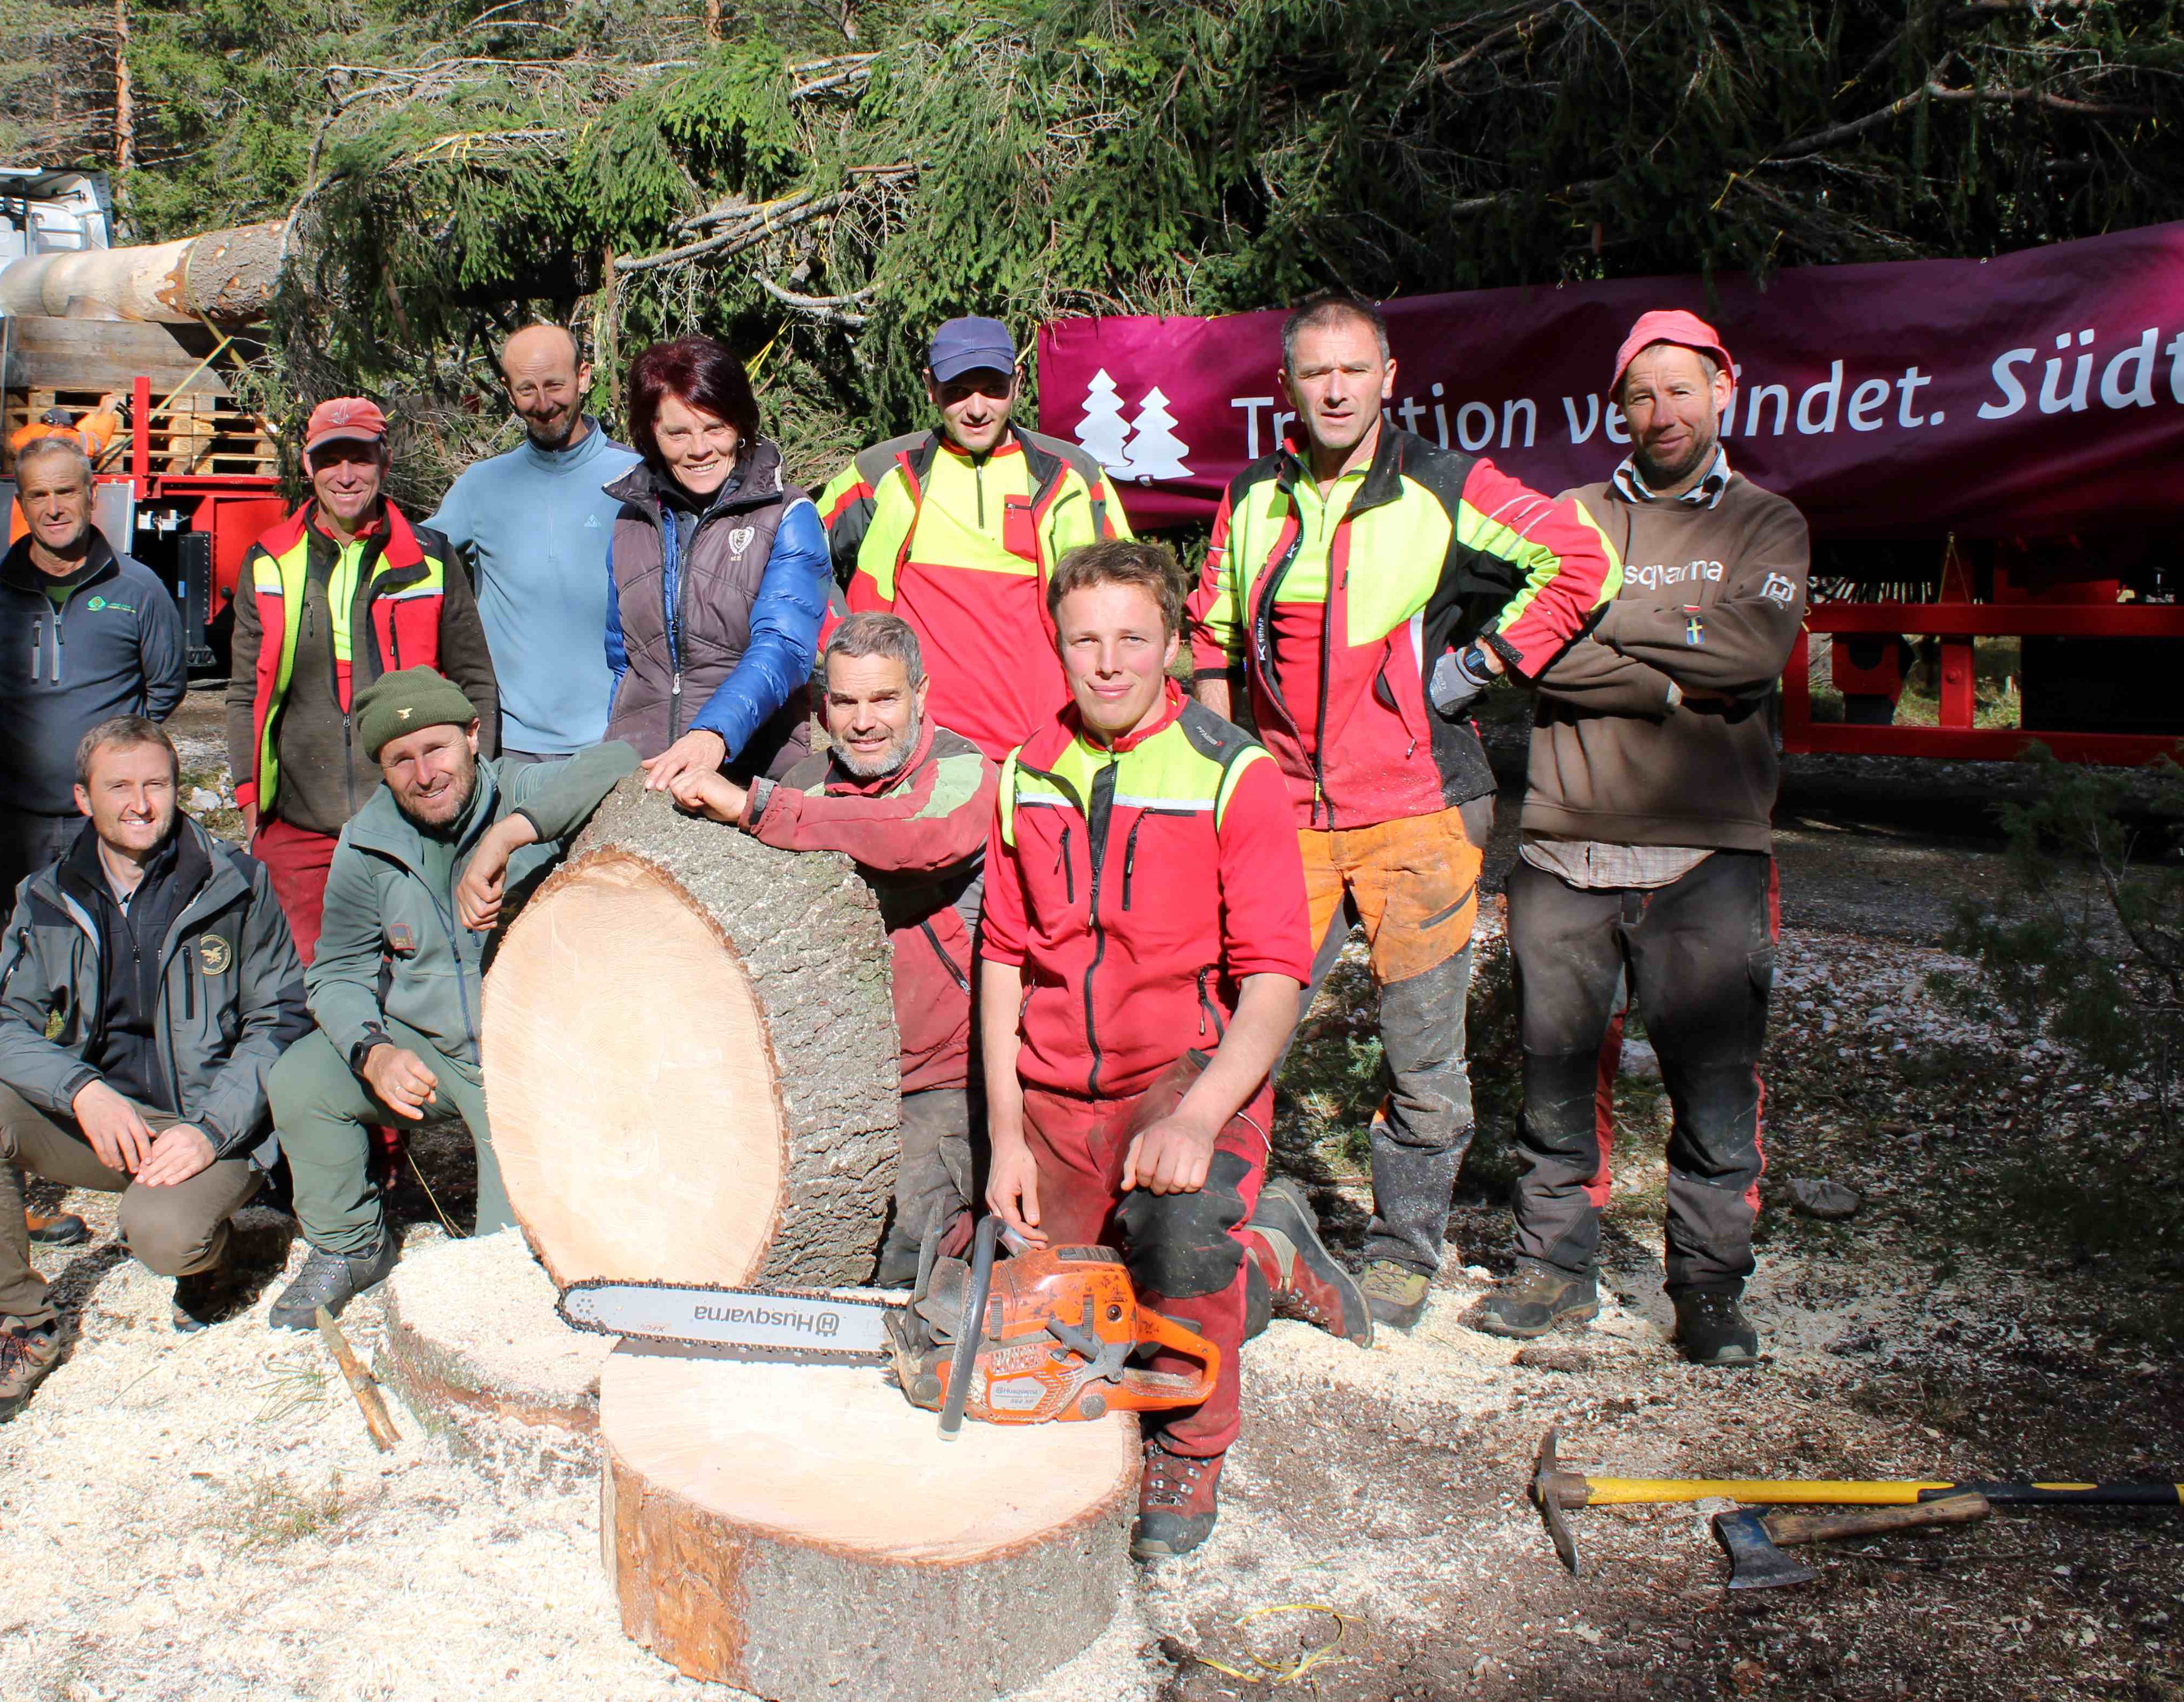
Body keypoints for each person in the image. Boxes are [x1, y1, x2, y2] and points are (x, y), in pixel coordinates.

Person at [1190, 289, 1610, 1332]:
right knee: (1243, 1029)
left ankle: (1403, 1247)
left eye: (1354, 370)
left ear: (1389, 379)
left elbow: (1581, 560)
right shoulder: (1255, 498)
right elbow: (1208, 637)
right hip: (1283, 815)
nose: (1334, 389)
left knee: (1421, 1048)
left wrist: (1478, 666)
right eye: (1314, 372)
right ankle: (1216, 1223)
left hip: (1420, 811)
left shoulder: (1443, 483)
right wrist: (1220, 765)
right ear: (1286, 385)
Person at [1465, 311, 1809, 1367]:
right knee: (1558, 1078)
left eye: (1682, 389)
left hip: (1709, 849)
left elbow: (1751, 649)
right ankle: (1554, 1270)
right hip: (1566, 844)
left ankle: (1707, 1289)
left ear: (1725, 392)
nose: (1663, 411)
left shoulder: (1768, 522)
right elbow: (1524, 650)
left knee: (1714, 1083)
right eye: (1643, 394)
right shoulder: (1569, 514)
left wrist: (1597, 618)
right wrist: (1668, 669)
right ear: (1619, 407)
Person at [979, 540, 1329, 1560]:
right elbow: (1003, 959)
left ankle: (1192, 1441)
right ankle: (1269, 1260)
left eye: (1134, 638)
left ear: (1174, 646)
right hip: (1052, 1092)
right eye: (1084, 640)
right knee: (1052, 1319)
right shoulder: (1024, 771)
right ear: (1057, 645)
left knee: (1177, 1246)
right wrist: (1005, 1136)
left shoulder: (1234, 771)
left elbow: (1274, 980)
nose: (1108, 662)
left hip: (1179, 1079)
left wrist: (1196, 1116)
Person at [0, 717, 311, 1424]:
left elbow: (283, 1021)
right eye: (119, 787)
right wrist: (80, 1091)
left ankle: (216, 1259)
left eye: (156, 785)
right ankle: (22, 1323)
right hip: (106, 1123)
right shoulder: (47, 897)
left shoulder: (237, 886)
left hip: (213, 1127)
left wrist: (209, 1129)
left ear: (176, 791)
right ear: (84, 799)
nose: (140, 804)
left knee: (161, 1235)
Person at [262, 670, 634, 1326]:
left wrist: (507, 837)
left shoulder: (520, 789)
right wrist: (372, 1051)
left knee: (502, 1276)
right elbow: (337, 972)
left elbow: (620, 759)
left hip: (528, 1064)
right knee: (301, 1079)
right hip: (431, 1050)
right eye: (400, 760)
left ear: (472, 737)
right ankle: (349, 1246)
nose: (424, 773)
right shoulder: (366, 841)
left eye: (436, 749)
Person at [671, 611, 996, 1282]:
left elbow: (911, 835)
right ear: (824, 707)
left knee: (901, 1247)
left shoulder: (965, 773)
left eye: (884, 698)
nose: (864, 721)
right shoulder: (805, 781)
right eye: (845, 701)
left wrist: (757, 808)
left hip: (941, 1076)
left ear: (921, 695)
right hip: (825, 1076)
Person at [227, 395, 498, 958]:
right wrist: (252, 804)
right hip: (300, 828)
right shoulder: (269, 559)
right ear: (307, 466)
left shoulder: (431, 557)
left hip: (415, 819)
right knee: (306, 991)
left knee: (422, 986)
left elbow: (475, 680)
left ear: (385, 460)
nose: (346, 476)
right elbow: (244, 693)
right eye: (330, 459)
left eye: (360, 458)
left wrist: (478, 786)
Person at [815, 316, 1131, 759]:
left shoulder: (1072, 475)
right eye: (958, 391)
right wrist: (839, 642)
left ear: (1018, 383)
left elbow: (1132, 596)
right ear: (930, 387)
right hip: (914, 751)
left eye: (992, 388)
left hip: (1045, 747)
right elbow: (798, 558)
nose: (977, 407)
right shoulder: (881, 472)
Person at [0, 433, 191, 915]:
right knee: (18, 963)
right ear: (21, 503)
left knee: (111, 958)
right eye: (39, 495)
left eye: (66, 492)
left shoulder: (139, 588)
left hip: (107, 824)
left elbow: (165, 686)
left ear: (91, 496)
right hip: (12, 824)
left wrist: (114, 755)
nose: (54, 508)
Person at [605, 335, 830, 797]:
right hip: (640, 774)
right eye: (678, 433)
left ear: (741, 425)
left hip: (750, 769)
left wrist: (715, 734)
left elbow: (785, 648)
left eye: (715, 428)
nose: (700, 448)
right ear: (650, 434)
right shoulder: (629, 521)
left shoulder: (788, 514)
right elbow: (620, 660)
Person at [427, 323, 629, 764]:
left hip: (614, 738)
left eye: (555, 384)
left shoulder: (634, 478)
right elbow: (410, 563)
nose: (543, 404)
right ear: (506, 388)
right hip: (510, 744)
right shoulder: (481, 486)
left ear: (584, 377)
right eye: (526, 389)